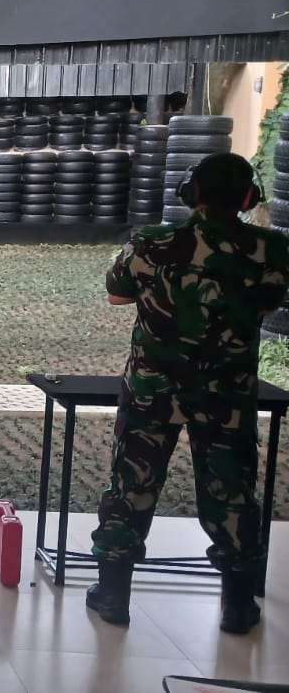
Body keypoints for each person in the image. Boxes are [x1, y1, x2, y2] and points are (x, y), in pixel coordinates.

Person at [88, 152, 289, 635]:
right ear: (249, 198)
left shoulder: (154, 242)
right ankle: (237, 605)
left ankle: (113, 595)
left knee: (130, 486)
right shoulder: (269, 248)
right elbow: (268, 304)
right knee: (232, 493)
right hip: (226, 394)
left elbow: (117, 294)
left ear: (191, 193)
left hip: (152, 390)